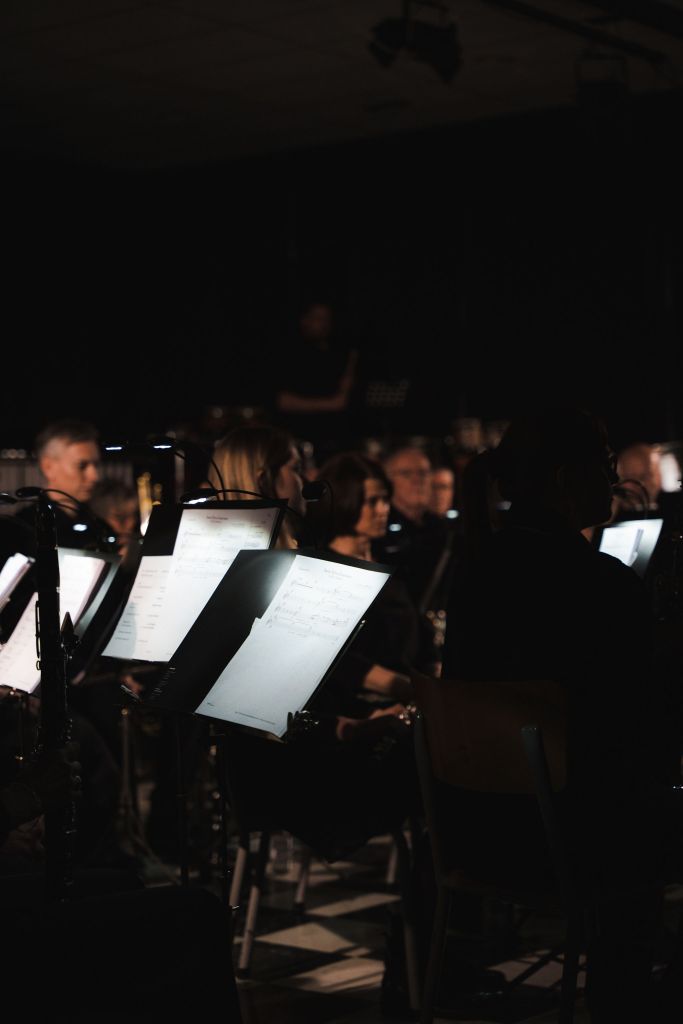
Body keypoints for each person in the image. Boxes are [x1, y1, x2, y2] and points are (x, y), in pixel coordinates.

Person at [442, 408, 681, 1023]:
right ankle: (629, 999)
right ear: (563, 480)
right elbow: (639, 731)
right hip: (571, 843)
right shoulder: (600, 582)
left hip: (476, 832)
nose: (614, 480)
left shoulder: (474, 571)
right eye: (604, 466)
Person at [310, 452, 418, 712]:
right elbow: (331, 657)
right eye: (372, 501)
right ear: (345, 501)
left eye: (385, 499)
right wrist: (405, 687)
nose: (383, 510)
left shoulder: (390, 565)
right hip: (359, 709)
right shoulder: (323, 571)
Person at [17, 420, 115, 551]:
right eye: (82, 465)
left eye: (96, 465)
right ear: (48, 467)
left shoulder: (99, 526)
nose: (94, 476)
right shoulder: (24, 528)